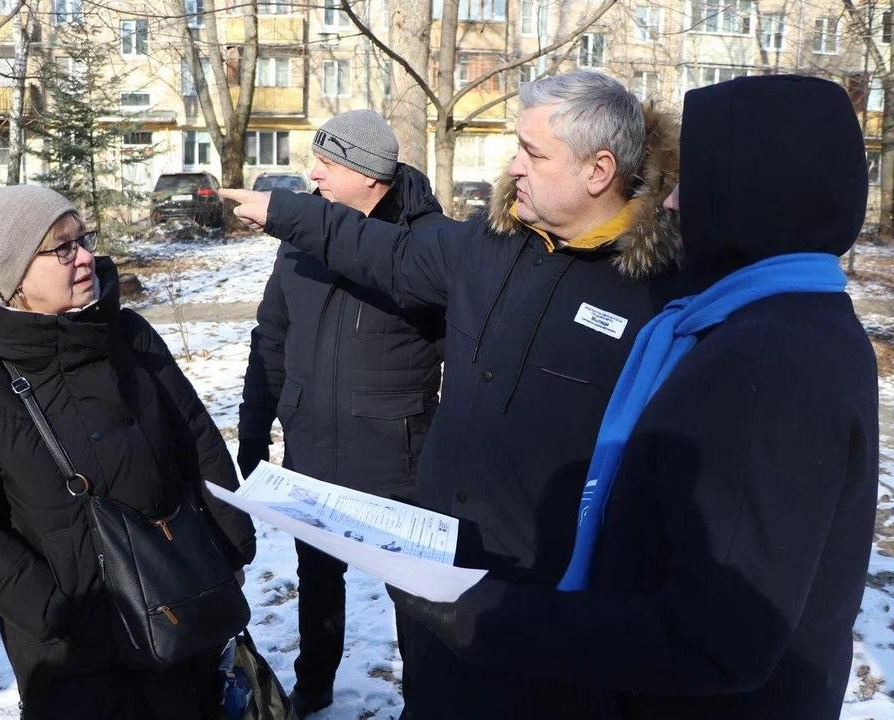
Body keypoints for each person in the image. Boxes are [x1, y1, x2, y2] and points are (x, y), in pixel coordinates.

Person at [386, 74, 880, 719]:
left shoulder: (765, 361)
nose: (670, 205)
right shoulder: (779, 324)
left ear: (756, 189)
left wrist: (486, 615)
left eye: (691, 182)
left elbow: (716, 640)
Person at [222, 70, 682, 718]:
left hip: (549, 610)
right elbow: (374, 250)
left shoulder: (660, 298)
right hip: (443, 562)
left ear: (598, 170)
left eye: (532, 152)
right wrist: (283, 212)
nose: (512, 167)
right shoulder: (482, 247)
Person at [0, 185, 257, 719]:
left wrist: (229, 547)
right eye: (61, 248)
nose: (85, 257)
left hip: (182, 603)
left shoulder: (127, 335)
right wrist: (58, 609)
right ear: (15, 275)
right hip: (75, 653)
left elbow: (196, 440)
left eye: (82, 239)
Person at [237, 109, 448, 717]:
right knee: (317, 583)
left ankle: (427, 700)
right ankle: (315, 683)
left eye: (327, 165)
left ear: (368, 176)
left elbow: (460, 363)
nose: (314, 175)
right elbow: (271, 338)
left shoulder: (422, 248)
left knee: (416, 603)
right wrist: (255, 432)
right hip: (311, 453)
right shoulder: (302, 239)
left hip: (397, 465)